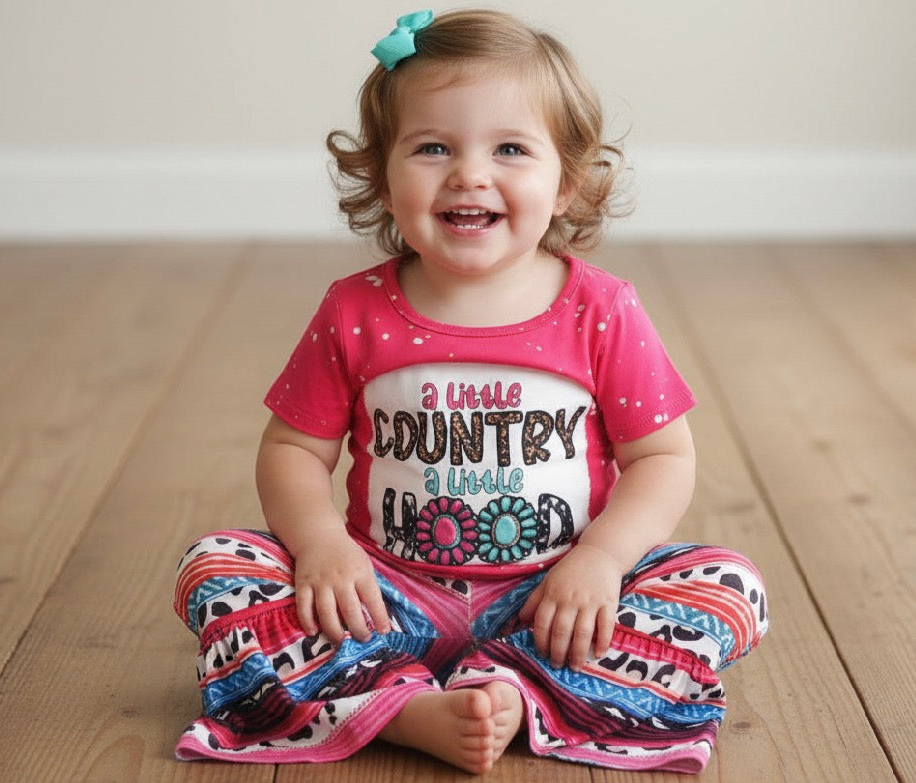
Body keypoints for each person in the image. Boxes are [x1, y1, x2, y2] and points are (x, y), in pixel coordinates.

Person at [173, 8, 767, 774]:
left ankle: (520, 688)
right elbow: (292, 446)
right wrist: (321, 546)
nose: (470, 174)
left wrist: (604, 560)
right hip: (382, 597)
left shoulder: (602, 309)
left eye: (511, 148)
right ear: (382, 179)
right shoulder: (354, 310)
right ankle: (401, 707)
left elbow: (661, 456)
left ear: (567, 182)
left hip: (555, 601)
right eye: (432, 148)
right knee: (216, 567)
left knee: (727, 586)